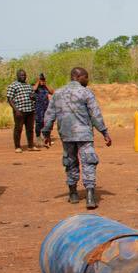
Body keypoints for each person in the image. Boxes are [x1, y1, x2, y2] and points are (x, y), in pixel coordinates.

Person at [41, 67, 112, 208]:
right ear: (79, 77)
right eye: (86, 77)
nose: (88, 80)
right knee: (89, 162)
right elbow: (95, 114)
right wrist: (104, 132)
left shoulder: (58, 93)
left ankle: (73, 194)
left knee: (70, 161)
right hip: (84, 134)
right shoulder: (86, 92)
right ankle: (90, 196)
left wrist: (46, 133)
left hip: (66, 134)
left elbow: (49, 115)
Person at [6, 69, 36, 153]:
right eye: (21, 75)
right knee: (18, 129)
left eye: (24, 75)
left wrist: (33, 97)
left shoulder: (28, 85)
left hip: (30, 110)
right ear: (17, 76)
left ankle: (30, 146)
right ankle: (17, 147)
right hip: (20, 111)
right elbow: (10, 99)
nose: (23, 76)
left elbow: (32, 95)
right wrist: (16, 110)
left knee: (30, 129)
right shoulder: (13, 85)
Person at [33, 73, 55, 145]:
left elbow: (52, 92)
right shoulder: (36, 87)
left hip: (46, 107)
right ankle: (38, 137)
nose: (42, 81)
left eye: (43, 79)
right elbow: (33, 89)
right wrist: (38, 81)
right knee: (39, 123)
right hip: (38, 108)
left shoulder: (45, 87)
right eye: (41, 80)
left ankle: (46, 138)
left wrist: (45, 84)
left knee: (46, 123)